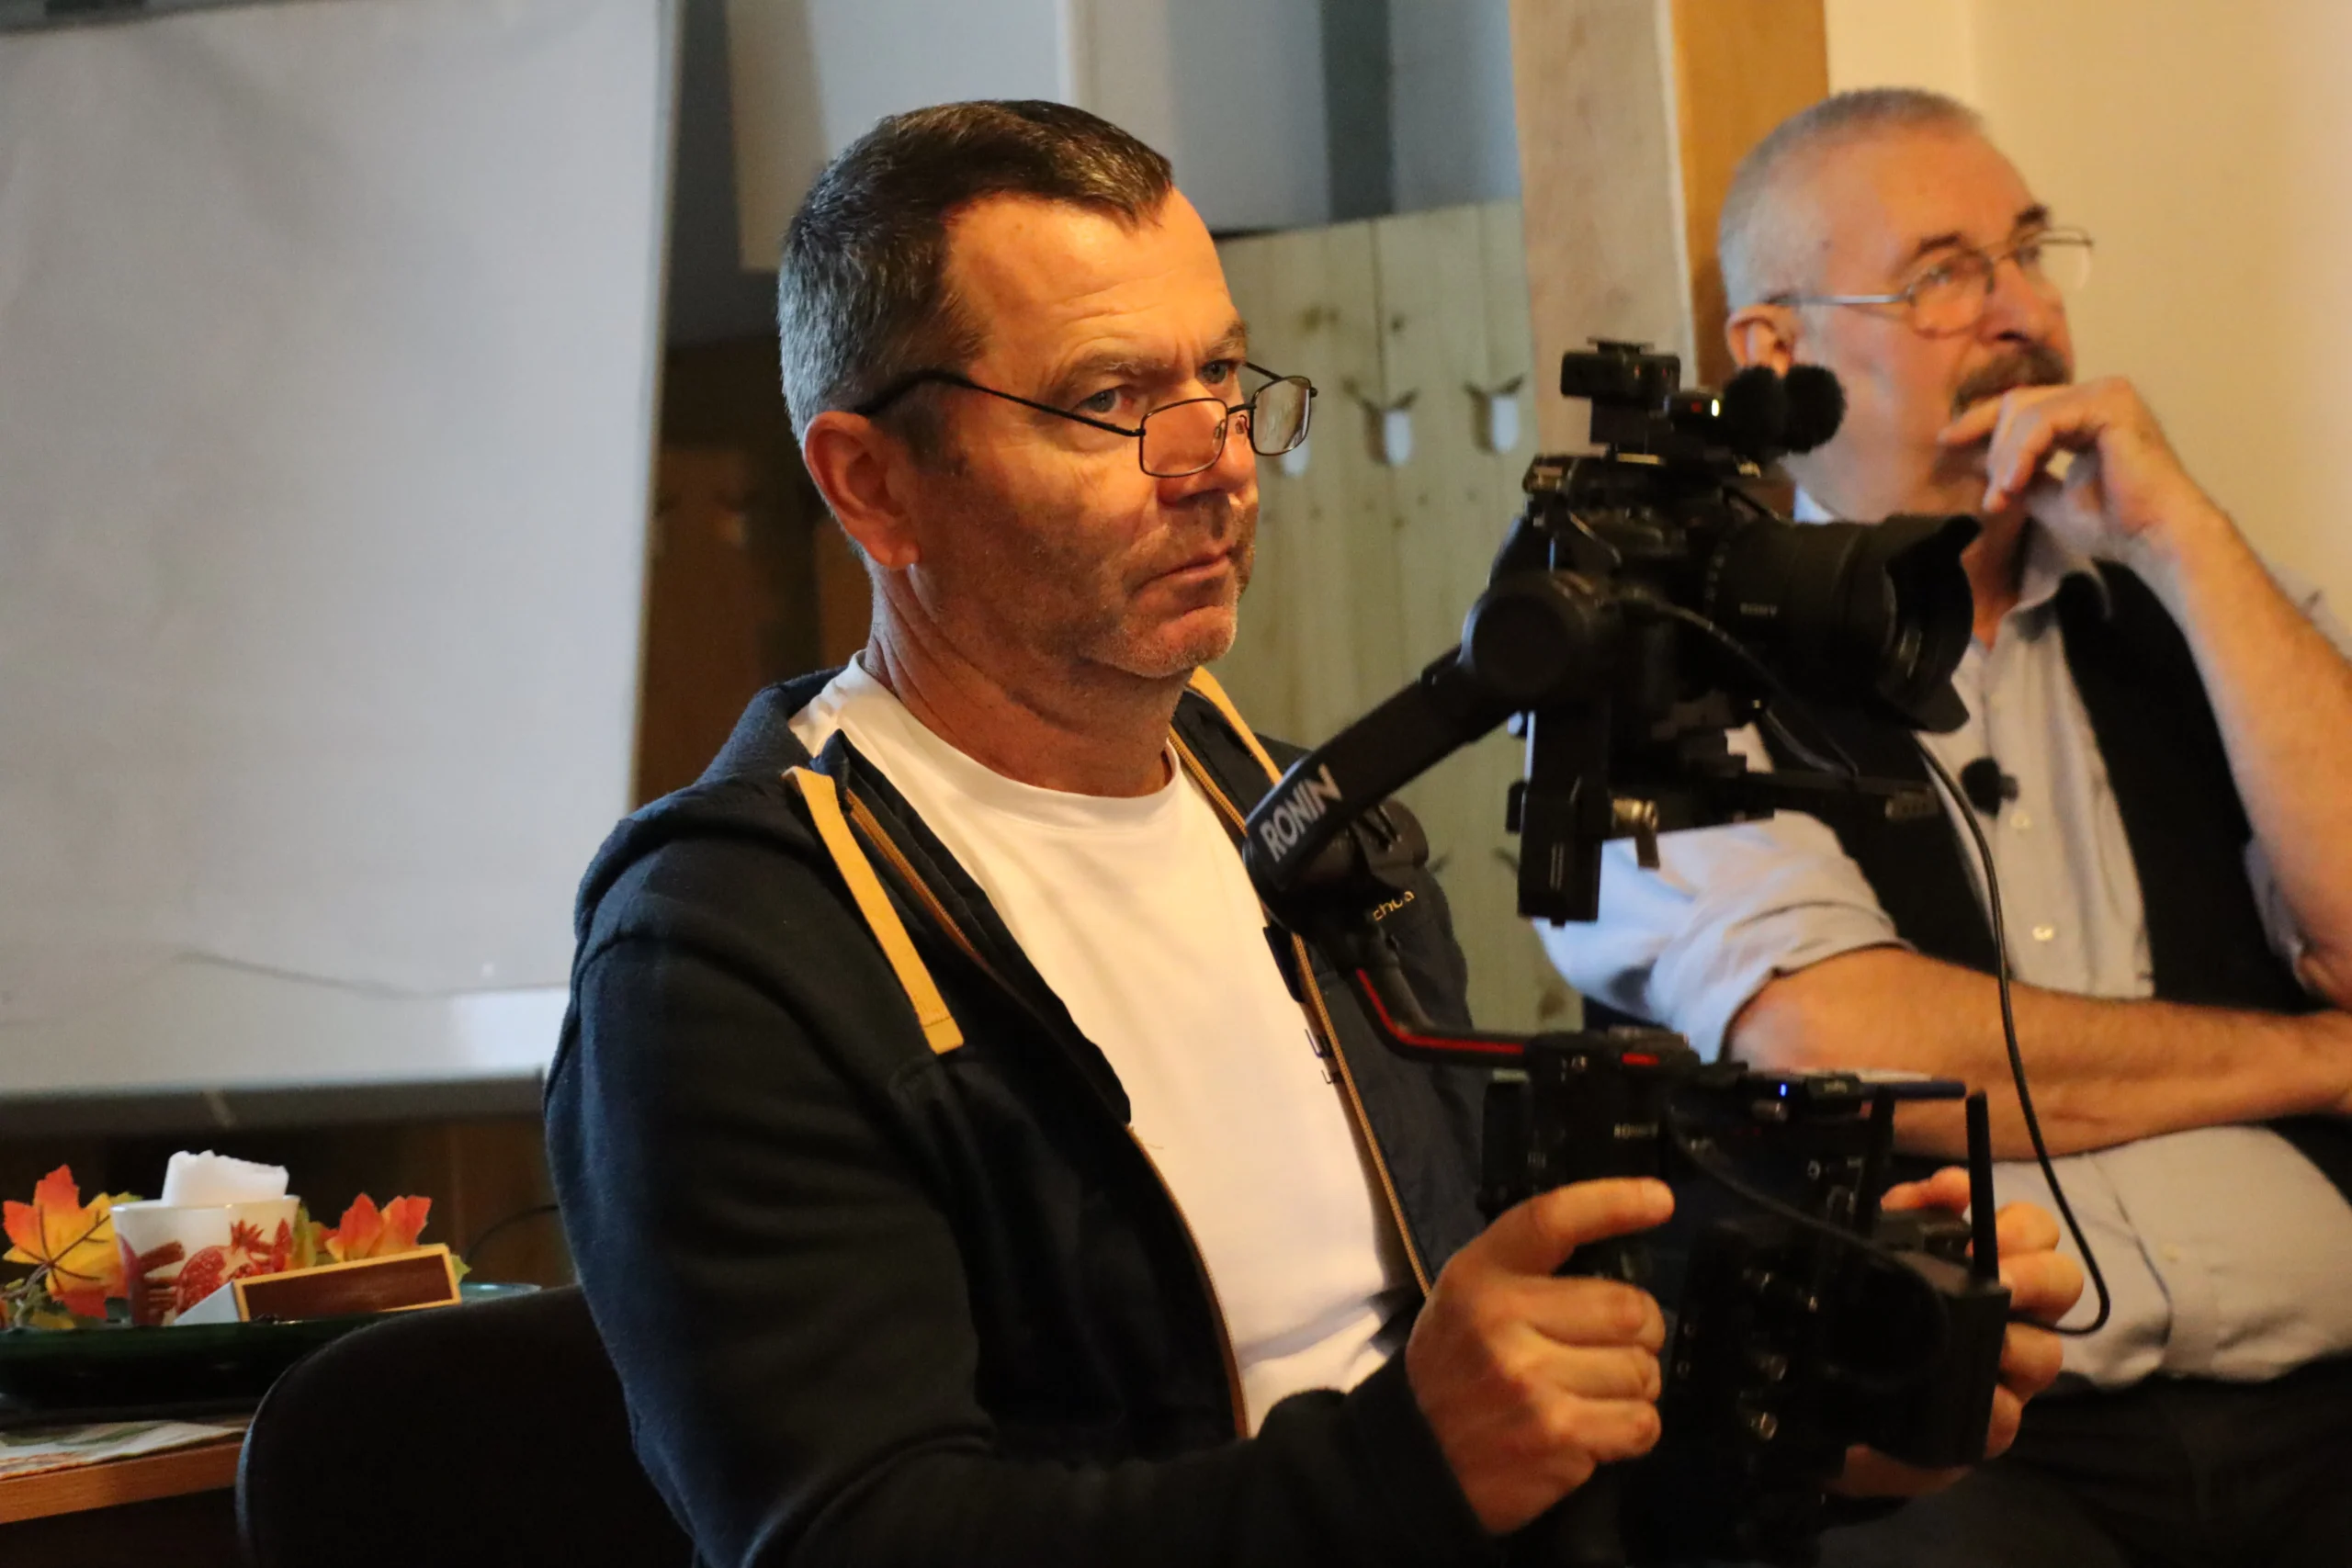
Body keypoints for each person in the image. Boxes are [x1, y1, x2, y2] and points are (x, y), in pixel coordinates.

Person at [547, 99, 2076, 1568]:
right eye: (1111, 400)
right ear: (873, 484)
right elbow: (853, 1536)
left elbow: (1511, 1442)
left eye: (1223, 374)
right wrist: (1404, 1464)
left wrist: (1811, 1430)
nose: (1217, 458)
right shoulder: (730, 953)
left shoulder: (1318, 835)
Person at [1543, 86, 2352, 1566]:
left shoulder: (2199, 607)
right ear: (1774, 349)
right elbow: (1835, 1034)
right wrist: (2319, 1059)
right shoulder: (1663, 667)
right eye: (1943, 276)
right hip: (1940, 1453)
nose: (2022, 310)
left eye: (2029, 251)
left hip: (2321, 1396)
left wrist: (2183, 539)